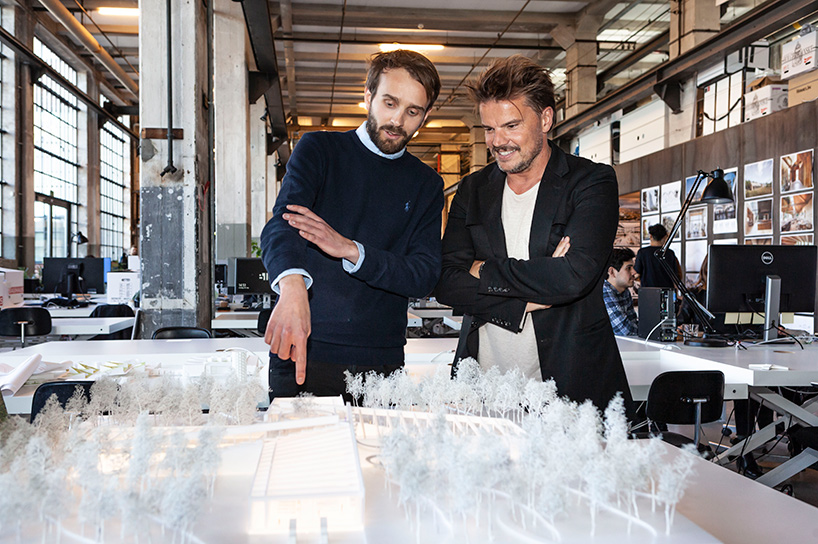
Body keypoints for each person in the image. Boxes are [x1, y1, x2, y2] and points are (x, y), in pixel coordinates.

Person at [434, 55, 633, 415]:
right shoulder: (472, 190)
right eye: (489, 129)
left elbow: (573, 277)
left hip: (569, 388)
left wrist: (483, 269)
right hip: (483, 390)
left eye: (511, 126)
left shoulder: (590, 182)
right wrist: (526, 299)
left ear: (545, 119)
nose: (498, 141)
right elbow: (446, 282)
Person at [260, 50, 443, 400]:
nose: (397, 120)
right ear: (368, 96)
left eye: (412, 111)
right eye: (389, 103)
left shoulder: (427, 185)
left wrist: (350, 250)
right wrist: (293, 287)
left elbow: (423, 274)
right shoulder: (319, 150)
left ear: (426, 115)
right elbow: (283, 225)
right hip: (305, 347)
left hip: (381, 359)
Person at [603, 248, 638, 336]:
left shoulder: (624, 291)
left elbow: (633, 322)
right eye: (628, 268)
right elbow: (625, 331)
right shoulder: (604, 292)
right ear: (612, 272)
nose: (634, 272)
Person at [634, 224, 682, 288]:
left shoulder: (642, 252)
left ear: (651, 236)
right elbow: (675, 277)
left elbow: (637, 273)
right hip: (667, 290)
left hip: (647, 291)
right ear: (665, 237)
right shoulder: (669, 253)